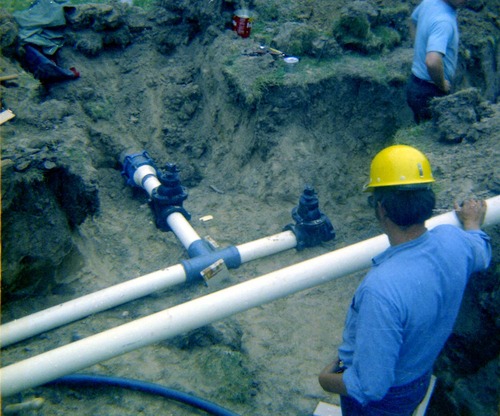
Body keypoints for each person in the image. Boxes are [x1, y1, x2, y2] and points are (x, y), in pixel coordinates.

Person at [318, 144, 491, 416]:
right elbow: (481, 253)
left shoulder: (381, 290)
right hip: (418, 377)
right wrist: (472, 225)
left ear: (381, 209)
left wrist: (326, 379)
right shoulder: (454, 240)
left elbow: (372, 387)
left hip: (382, 403)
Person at [406, 0, 467, 123]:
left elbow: (412, 21)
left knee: (421, 128)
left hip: (414, 84)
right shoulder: (443, 22)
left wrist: (420, 47)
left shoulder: (429, 2)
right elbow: (432, 62)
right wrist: (442, 85)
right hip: (430, 92)